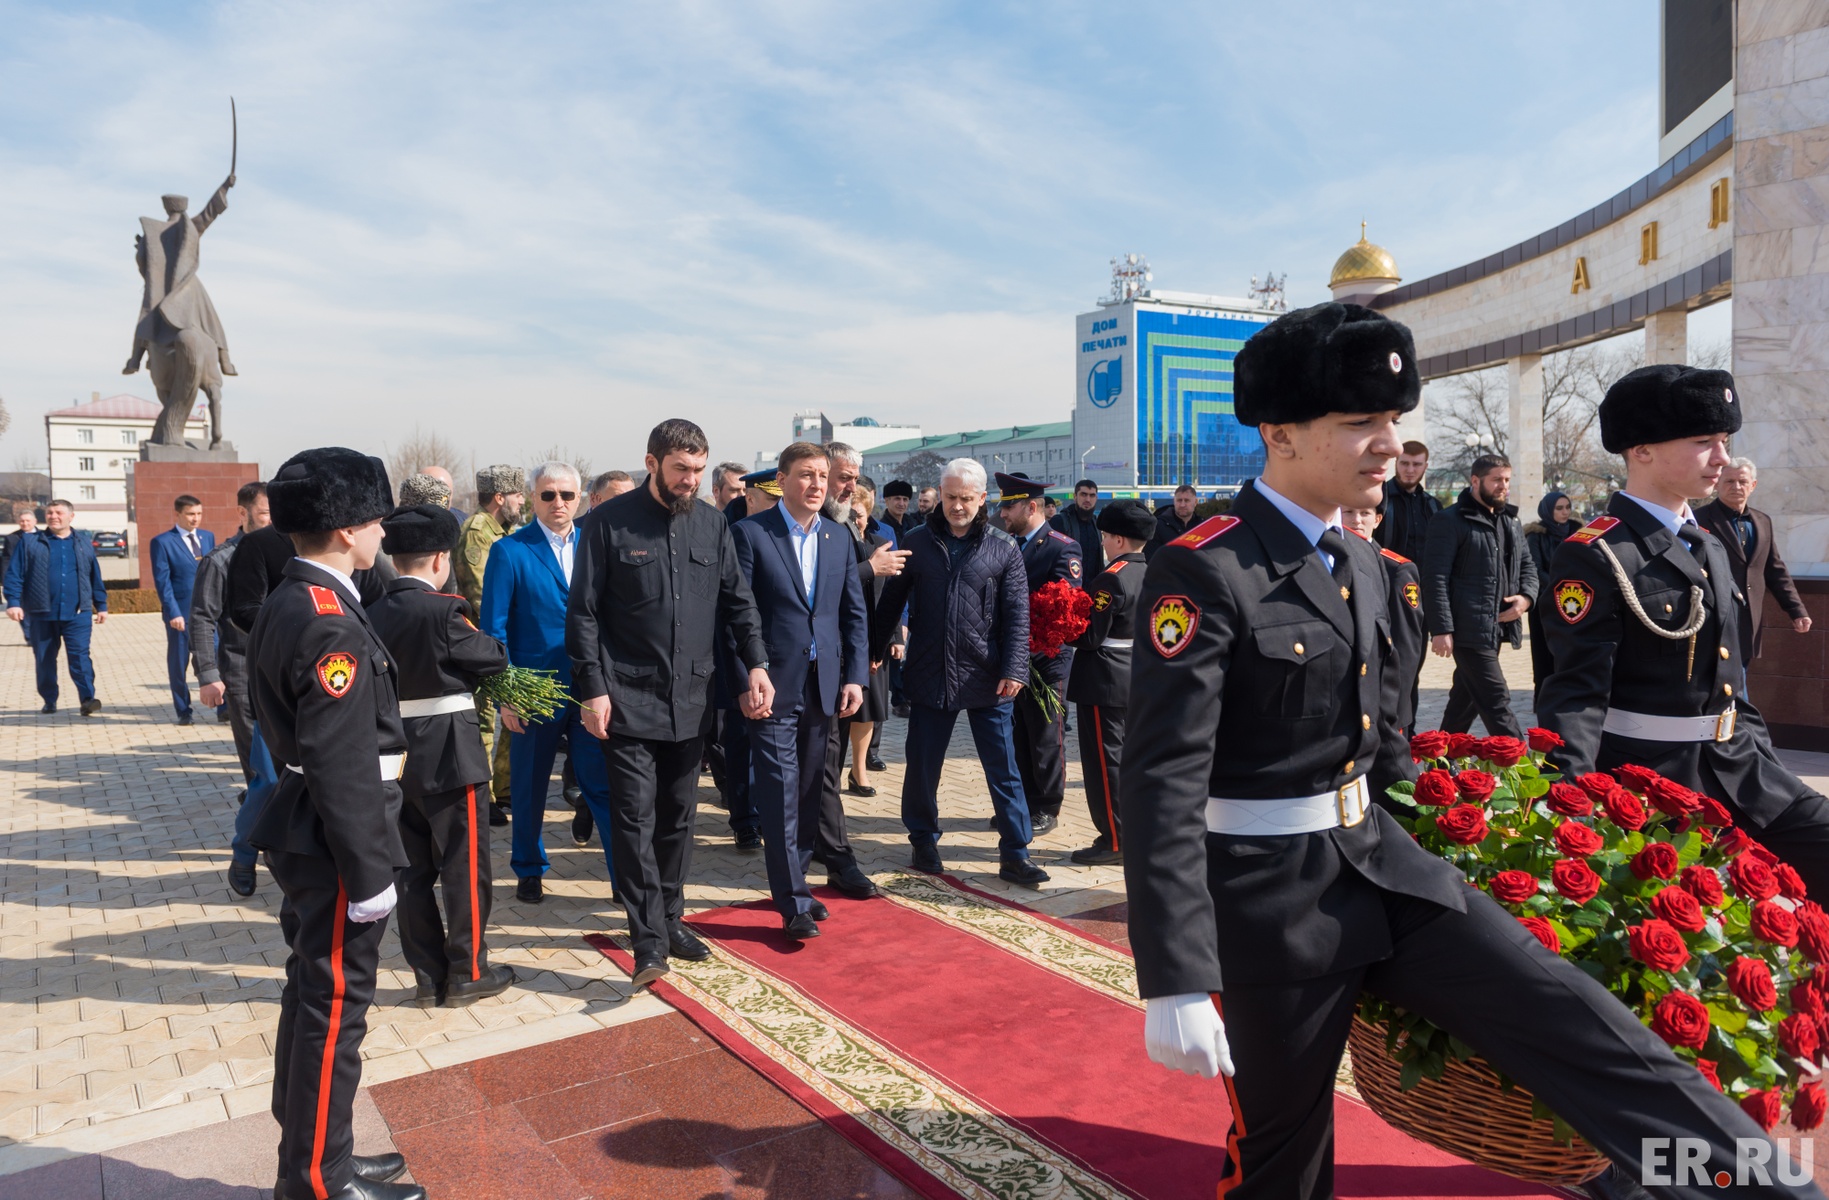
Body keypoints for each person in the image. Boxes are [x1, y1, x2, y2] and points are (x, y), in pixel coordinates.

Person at [1121, 303, 1814, 1200]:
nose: (1387, 443)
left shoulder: (1368, 566)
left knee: (1590, 1035)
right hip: (1260, 898)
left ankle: (1776, 1192)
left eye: (1393, 421)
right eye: (1360, 423)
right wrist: (1173, 973)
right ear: (1279, 433)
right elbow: (1162, 777)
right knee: (1282, 1154)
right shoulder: (1206, 568)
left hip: (1381, 866)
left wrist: (1479, 837)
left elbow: (1384, 753)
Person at [1539, 364, 1829, 904]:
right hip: (1655, 787)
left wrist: (1763, 756)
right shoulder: (1595, 553)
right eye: (1704, 443)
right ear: (1641, 450)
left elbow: (1731, 682)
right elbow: (1576, 694)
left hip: (1743, 768)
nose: (1721, 458)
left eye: (1723, 441)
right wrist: (1571, 805)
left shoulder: (1706, 543)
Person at [245, 447, 421, 1200]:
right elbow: (340, 758)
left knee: (311, 996)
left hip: (311, 825)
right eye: (375, 520)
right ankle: (317, 1179)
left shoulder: (298, 596)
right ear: (348, 530)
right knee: (335, 1010)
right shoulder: (328, 620)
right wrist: (371, 871)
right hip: (337, 834)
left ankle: (324, 1151)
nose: (382, 533)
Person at [568, 419, 771, 989]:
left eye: (699, 471)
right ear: (652, 462)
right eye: (681, 469)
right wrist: (593, 689)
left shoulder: (712, 525)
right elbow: (582, 614)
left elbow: (738, 604)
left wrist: (756, 663)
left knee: (677, 820)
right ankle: (647, 940)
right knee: (634, 820)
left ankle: (673, 918)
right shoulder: (608, 523)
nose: (691, 481)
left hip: (692, 699)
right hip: (626, 698)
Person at [870, 458, 1046, 886]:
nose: (957, 506)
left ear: (983, 499)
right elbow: (891, 603)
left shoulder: (1003, 549)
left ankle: (1015, 851)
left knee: (1003, 767)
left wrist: (1015, 668)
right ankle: (923, 840)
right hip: (931, 672)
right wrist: (874, 648)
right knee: (923, 763)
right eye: (950, 498)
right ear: (940, 495)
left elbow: (1018, 615)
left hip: (989, 676)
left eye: (966, 499)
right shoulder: (916, 541)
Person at [370, 504, 516, 1007]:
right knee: (463, 868)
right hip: (452, 758)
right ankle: (469, 970)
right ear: (440, 559)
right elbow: (491, 655)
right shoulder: (445, 610)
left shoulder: (370, 613)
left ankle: (428, 974)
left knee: (409, 875)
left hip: (395, 760)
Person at [730, 443, 868, 938]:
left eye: (821, 475)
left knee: (812, 791)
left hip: (825, 685)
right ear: (782, 480)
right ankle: (791, 903)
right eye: (805, 475)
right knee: (781, 792)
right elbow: (735, 614)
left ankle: (800, 886)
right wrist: (749, 671)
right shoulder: (750, 534)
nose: (815, 484)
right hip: (770, 686)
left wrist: (855, 675)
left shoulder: (836, 536)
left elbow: (853, 613)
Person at [481, 462, 611, 901]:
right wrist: (507, 697)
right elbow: (493, 632)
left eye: (567, 496)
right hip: (534, 690)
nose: (558, 503)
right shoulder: (510, 551)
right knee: (530, 783)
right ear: (532, 498)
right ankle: (529, 868)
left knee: (602, 783)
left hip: (591, 688)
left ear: (581, 498)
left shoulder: (597, 544)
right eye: (548, 495)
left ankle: (623, 873)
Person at [812, 444, 906, 899]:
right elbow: (819, 589)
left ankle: (830, 850)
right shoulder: (809, 525)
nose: (850, 487)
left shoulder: (846, 521)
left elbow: (853, 606)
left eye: (855, 478)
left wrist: (872, 649)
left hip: (842, 662)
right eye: (842, 477)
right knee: (812, 766)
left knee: (826, 763)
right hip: (802, 667)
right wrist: (871, 566)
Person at [191, 481, 274, 895]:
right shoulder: (223, 560)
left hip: (286, 675)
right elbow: (203, 618)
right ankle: (253, 848)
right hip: (242, 675)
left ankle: (274, 840)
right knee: (261, 772)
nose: (272, 521)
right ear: (243, 514)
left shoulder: (290, 554)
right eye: (264, 514)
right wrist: (208, 673)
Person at [1421, 453, 1535, 739]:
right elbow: (1435, 577)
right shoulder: (1448, 521)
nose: (1503, 486)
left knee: (1465, 699)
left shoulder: (1510, 521)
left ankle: (1441, 760)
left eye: (1507, 480)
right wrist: (1442, 628)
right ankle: (1524, 773)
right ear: (1475, 481)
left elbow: (1528, 567)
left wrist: (1525, 599)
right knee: (1497, 699)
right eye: (1496, 480)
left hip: (1496, 626)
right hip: (1466, 628)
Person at [1064, 498, 1152, 865]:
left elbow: (1089, 637)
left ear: (1118, 538)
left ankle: (1115, 840)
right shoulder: (1155, 571)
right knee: (1131, 760)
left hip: (1104, 678)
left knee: (1105, 763)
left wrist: (1064, 625)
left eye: (1104, 535)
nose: (1102, 541)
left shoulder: (1111, 578)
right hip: (1138, 675)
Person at [998, 472, 1081, 836]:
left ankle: (1047, 805)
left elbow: (1066, 605)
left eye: (1009, 507)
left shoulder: (1062, 547)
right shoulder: (1007, 544)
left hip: (1045, 657)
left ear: (1031, 507)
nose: (1002, 514)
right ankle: (1021, 803)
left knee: (1045, 736)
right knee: (1016, 735)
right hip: (1013, 658)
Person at [707, 467, 781, 853]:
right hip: (737, 655)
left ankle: (769, 815)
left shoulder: (779, 531)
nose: (778, 507)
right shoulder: (729, 534)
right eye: (772, 500)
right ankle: (745, 821)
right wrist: (739, 675)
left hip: (779, 657)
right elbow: (730, 611)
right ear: (750, 498)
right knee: (739, 743)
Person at [455, 466, 525, 828]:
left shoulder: (507, 531)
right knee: (484, 721)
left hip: (505, 639)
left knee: (514, 718)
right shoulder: (477, 533)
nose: (522, 501)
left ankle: (505, 787)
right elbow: (482, 597)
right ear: (500, 497)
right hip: (482, 642)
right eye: (517, 495)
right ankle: (483, 797)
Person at [1695, 456, 1812, 665]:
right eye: (1729, 481)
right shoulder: (1697, 520)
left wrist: (1796, 610)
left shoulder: (1762, 521)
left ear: (1753, 485)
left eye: (1742, 482)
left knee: (1740, 680)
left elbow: (1775, 570)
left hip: (1749, 624)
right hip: (1712, 622)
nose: (1736, 487)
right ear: (1717, 484)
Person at [1341, 502, 1426, 786]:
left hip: (1384, 706)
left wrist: (1396, 711)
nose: (1356, 520)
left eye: (1365, 514)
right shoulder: (1331, 562)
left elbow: (1407, 649)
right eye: (1349, 512)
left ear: (1377, 520)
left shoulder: (1396, 569)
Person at [5, 499, 106, 716]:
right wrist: (13, 602)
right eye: (50, 513)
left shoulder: (83, 542)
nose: (53, 516)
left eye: (59, 512)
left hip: (78, 613)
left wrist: (102, 605)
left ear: (71, 516)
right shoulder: (30, 542)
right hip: (41, 613)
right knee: (44, 658)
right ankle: (49, 699)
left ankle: (87, 698)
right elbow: (15, 574)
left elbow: (94, 575)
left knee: (80, 657)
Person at [840, 480, 899, 797]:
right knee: (841, 710)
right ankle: (831, 770)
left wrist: (893, 637)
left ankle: (859, 770)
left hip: (875, 639)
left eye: (859, 514)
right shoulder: (838, 544)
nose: (854, 520)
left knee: (867, 712)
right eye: (848, 514)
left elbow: (892, 597)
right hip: (844, 638)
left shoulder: (881, 544)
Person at [151, 494, 216, 725]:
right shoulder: (162, 542)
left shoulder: (208, 537)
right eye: (190, 514)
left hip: (209, 614)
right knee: (179, 664)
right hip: (181, 615)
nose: (195, 519)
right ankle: (183, 710)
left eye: (199, 513)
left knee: (216, 659)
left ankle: (224, 707)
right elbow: (163, 581)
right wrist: (173, 612)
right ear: (177, 514)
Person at [1523, 490, 1578, 702]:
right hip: (1545, 602)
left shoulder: (1578, 532)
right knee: (1544, 654)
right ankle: (1544, 700)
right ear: (1548, 510)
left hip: (1575, 602)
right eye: (1559, 508)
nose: (1565, 512)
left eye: (1567, 507)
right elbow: (1535, 568)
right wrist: (1560, 589)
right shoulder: (1536, 535)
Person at [1374, 439, 1440, 563]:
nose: (1410, 470)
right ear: (1396, 463)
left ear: (1425, 467)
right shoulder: (1377, 499)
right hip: (1386, 578)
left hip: (1425, 580)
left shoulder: (1434, 506)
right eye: (1404, 463)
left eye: (1416, 464)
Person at [1050, 478, 1105, 574]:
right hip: (1067, 584)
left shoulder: (1097, 524)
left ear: (1096, 498)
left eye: (1092, 495)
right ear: (1075, 496)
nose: (1088, 499)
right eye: (1083, 494)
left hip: (1094, 586)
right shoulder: (1060, 521)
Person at [1, 508, 36, 643]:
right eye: (22, 521)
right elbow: (6, 560)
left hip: (38, 578)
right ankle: (30, 637)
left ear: (34, 521)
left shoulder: (44, 536)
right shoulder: (11, 538)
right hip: (20, 578)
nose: (25, 523)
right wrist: (5, 579)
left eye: (28, 520)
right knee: (22, 607)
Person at [1145, 484, 1197, 559]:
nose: (1182, 505)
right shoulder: (1158, 526)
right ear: (1174, 501)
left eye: (1186, 500)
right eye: (1179, 500)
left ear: (1195, 502)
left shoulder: (1202, 526)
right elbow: (1150, 558)